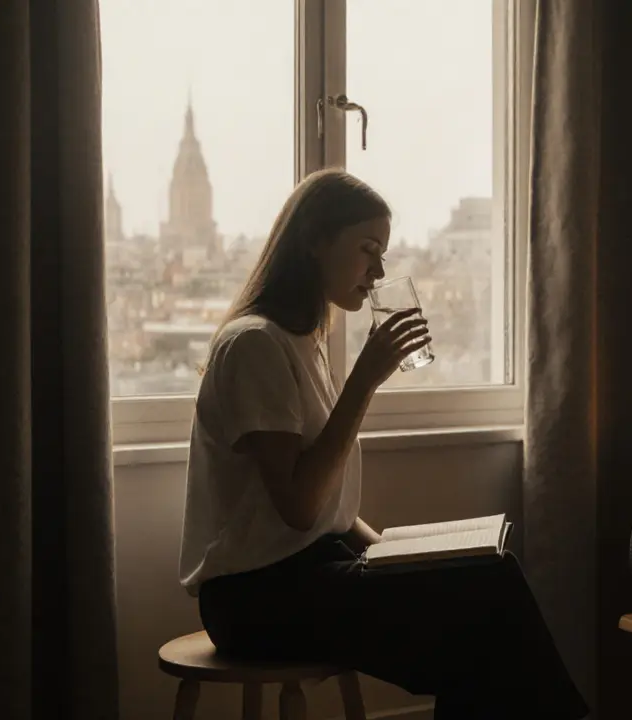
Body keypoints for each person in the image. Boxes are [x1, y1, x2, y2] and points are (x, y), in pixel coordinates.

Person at [178, 167, 588, 719]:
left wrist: (405, 554)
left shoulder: (303, 343)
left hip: (309, 573)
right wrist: (364, 381)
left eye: (383, 254)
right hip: (256, 598)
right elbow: (300, 508)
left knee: (488, 587)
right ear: (315, 241)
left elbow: (332, 518)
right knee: (487, 599)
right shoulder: (255, 345)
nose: (379, 271)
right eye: (368, 249)